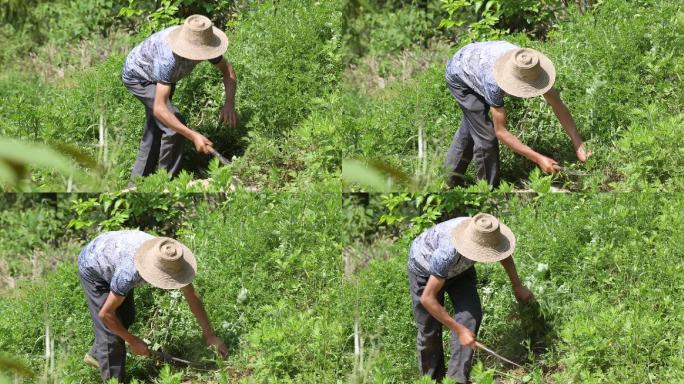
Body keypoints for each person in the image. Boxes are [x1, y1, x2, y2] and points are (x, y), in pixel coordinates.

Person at [78, 230, 227, 382]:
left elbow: (192, 297)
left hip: (114, 254)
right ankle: (112, 377)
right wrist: (133, 341)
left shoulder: (171, 258)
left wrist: (209, 334)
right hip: (93, 266)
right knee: (111, 334)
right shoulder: (129, 273)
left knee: (127, 315)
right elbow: (106, 314)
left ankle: (97, 355)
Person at [444, 41, 590, 187]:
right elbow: (501, 132)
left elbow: (557, 105)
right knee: (486, 136)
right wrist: (538, 158)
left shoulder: (530, 67)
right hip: (459, 74)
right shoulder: (494, 84)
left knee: (474, 125)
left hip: (477, 65)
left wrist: (578, 144)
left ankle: (448, 179)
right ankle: (487, 190)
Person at [407, 213, 533, 383]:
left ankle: (456, 379)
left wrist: (517, 286)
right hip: (425, 270)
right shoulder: (448, 252)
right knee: (430, 330)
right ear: (472, 246)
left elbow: (503, 255)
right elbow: (427, 299)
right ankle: (431, 379)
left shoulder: (485, 231)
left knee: (470, 316)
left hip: (460, 270)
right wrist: (459, 330)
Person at [121, 14, 238, 182]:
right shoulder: (168, 59)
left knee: (157, 126)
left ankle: (136, 185)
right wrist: (193, 135)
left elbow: (228, 71)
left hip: (163, 79)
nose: (201, 57)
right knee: (174, 124)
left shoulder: (203, 42)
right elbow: (160, 108)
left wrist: (229, 103)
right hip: (139, 77)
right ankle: (166, 184)